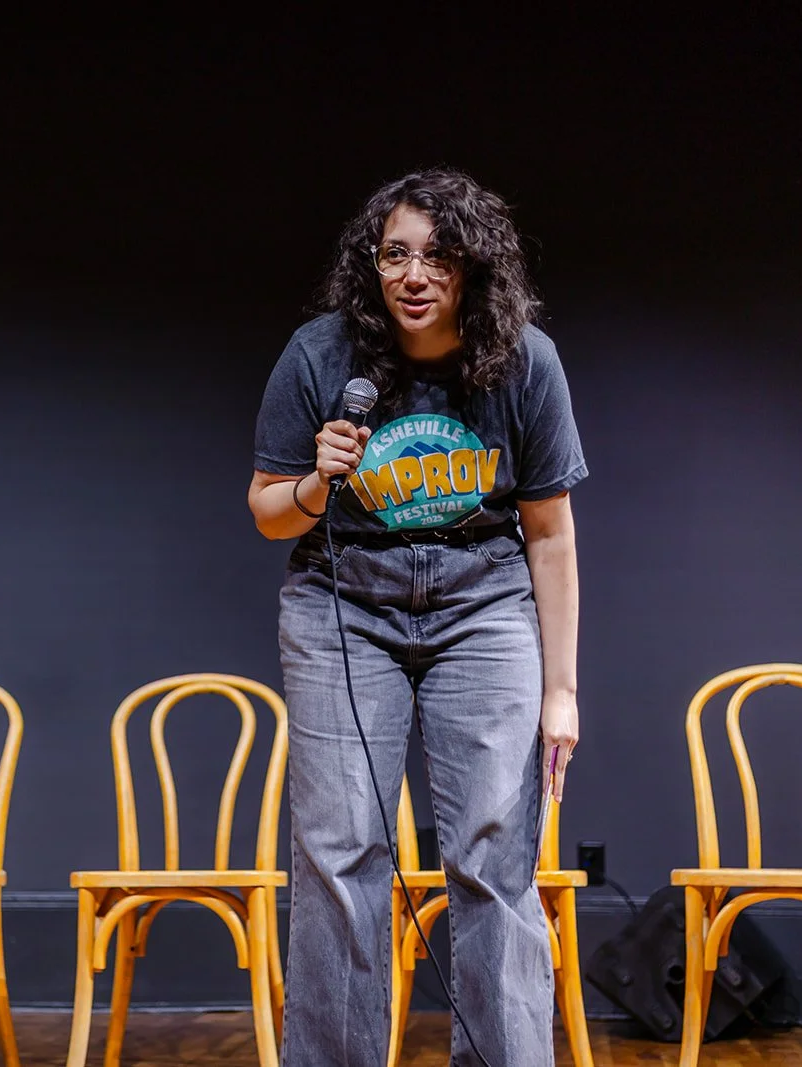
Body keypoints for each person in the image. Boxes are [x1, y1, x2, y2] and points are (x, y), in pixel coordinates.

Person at [248, 167, 586, 1066]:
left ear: (473, 266)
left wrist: (561, 689)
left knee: (491, 855)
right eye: (395, 253)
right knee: (338, 854)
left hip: (483, 602)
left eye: (438, 254)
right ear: (373, 265)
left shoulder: (523, 360)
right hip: (342, 601)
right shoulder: (322, 355)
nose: (414, 274)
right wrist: (319, 479)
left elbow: (549, 533)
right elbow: (268, 510)